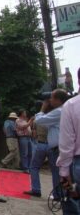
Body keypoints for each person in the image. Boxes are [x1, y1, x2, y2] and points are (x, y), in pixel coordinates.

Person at [24, 89, 69, 202]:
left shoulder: (59, 111)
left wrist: (42, 108)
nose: (50, 100)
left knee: (35, 167)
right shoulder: (65, 110)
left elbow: (39, 121)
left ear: (58, 100)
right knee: (58, 172)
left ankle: (39, 190)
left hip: (49, 146)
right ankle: (61, 194)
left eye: (52, 98)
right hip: (56, 147)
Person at [57, 68, 80, 214]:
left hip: (77, 164)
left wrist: (64, 176)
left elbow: (66, 145)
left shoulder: (71, 105)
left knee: (73, 200)